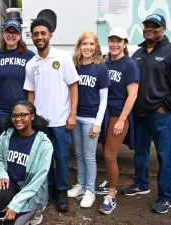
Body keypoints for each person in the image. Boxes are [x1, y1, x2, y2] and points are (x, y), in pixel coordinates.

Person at [121, 14, 171, 214]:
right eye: (147, 25)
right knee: (140, 152)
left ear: (163, 29)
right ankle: (141, 184)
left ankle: (165, 197)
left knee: (165, 156)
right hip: (141, 115)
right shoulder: (138, 53)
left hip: (162, 116)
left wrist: (166, 106)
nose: (149, 28)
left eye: (154, 25)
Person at [24, 17, 79, 212]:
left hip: (60, 120)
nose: (39, 37)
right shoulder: (31, 64)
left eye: (43, 33)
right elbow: (31, 93)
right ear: (32, 36)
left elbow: (73, 87)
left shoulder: (63, 58)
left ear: (50, 35)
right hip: (40, 122)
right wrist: (30, 118)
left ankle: (62, 192)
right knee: (43, 159)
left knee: (62, 158)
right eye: (36, 34)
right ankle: (49, 189)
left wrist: (72, 114)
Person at [0, 100, 53, 225]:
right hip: (13, 184)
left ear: (32, 116)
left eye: (23, 115)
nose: (18, 119)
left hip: (31, 190)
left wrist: (15, 204)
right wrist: (1, 174)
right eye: (14, 115)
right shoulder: (7, 136)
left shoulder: (44, 144)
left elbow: (37, 181)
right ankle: (13, 209)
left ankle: (36, 209)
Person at [98, 27, 140, 215]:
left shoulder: (129, 65)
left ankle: (111, 195)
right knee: (105, 151)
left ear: (125, 43)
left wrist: (122, 120)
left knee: (109, 155)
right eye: (112, 40)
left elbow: (132, 95)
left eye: (119, 40)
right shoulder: (105, 63)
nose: (114, 44)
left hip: (118, 115)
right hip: (105, 115)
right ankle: (108, 180)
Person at [67, 31, 110, 208]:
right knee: (78, 153)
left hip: (91, 118)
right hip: (75, 117)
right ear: (79, 46)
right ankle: (81, 184)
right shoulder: (74, 66)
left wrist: (97, 123)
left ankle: (91, 191)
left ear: (96, 47)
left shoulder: (101, 67)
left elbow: (104, 99)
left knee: (89, 156)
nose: (88, 47)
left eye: (91, 44)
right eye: (84, 44)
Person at [0, 20, 35, 135]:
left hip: (23, 109)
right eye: (8, 32)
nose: (11, 35)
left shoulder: (29, 56)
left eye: (15, 32)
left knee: (22, 140)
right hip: (2, 109)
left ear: (20, 36)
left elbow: (35, 83)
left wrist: (30, 108)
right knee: (4, 140)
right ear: (3, 34)